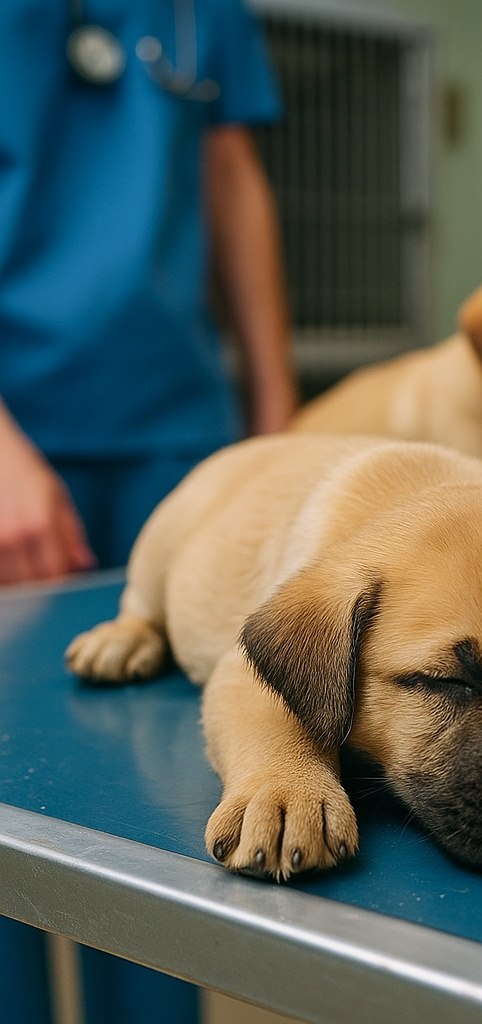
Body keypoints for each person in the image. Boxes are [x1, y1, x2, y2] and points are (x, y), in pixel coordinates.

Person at [0, 0, 296, 1021]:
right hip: (13, 426)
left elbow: (229, 178)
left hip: (178, 437)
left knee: (159, 803)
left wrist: (274, 421)